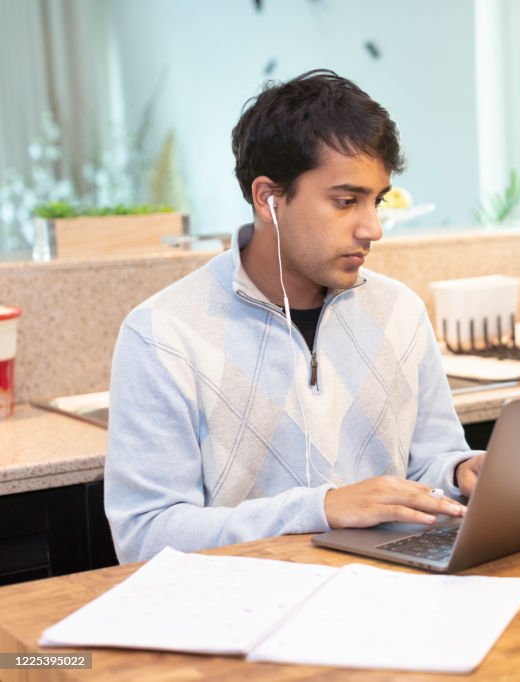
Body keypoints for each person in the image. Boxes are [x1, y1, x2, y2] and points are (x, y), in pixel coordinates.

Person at [104, 70, 484, 563]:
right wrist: (320, 507)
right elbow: (144, 536)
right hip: (241, 615)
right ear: (269, 199)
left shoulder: (400, 311)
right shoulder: (161, 333)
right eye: (346, 201)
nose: (373, 228)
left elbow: (429, 466)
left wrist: (459, 473)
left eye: (377, 201)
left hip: (388, 598)